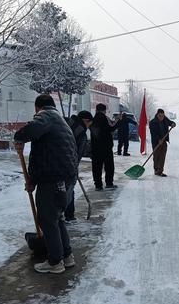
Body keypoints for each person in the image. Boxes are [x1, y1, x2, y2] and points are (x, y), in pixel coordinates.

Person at [14, 94, 78, 274]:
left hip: (54, 178)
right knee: (57, 217)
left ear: (37, 107)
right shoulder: (60, 121)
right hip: (64, 176)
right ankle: (66, 256)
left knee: (48, 219)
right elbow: (44, 154)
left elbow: (32, 130)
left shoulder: (46, 115)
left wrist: (19, 137)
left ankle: (55, 262)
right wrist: (32, 180)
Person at [65, 110, 94, 222]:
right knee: (68, 190)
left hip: (57, 163)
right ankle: (68, 216)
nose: (88, 127)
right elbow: (77, 153)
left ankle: (65, 215)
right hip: (68, 166)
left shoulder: (67, 123)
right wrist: (73, 167)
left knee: (63, 190)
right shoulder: (80, 132)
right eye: (89, 124)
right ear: (85, 121)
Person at [90, 103, 119, 190]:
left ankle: (98, 185)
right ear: (104, 110)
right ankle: (109, 183)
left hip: (95, 147)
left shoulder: (93, 119)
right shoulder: (105, 118)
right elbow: (112, 128)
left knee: (96, 167)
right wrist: (118, 121)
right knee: (109, 166)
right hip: (106, 147)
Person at [149, 108, 176, 177]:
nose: (161, 117)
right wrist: (158, 139)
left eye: (163, 116)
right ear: (157, 115)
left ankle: (160, 171)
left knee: (162, 157)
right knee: (156, 156)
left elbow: (170, 122)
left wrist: (173, 123)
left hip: (164, 141)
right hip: (155, 142)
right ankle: (156, 170)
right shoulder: (152, 122)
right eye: (160, 116)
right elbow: (153, 133)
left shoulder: (165, 119)